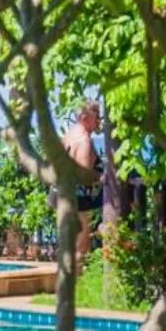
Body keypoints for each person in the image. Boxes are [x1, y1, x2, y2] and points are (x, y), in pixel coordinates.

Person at [60, 100, 103, 262]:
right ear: (85, 117)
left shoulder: (69, 135)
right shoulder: (84, 140)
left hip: (63, 193)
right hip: (79, 201)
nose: (99, 119)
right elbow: (83, 175)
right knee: (80, 247)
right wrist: (102, 177)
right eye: (96, 116)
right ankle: (76, 283)